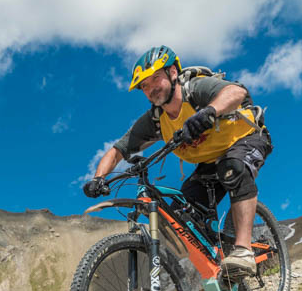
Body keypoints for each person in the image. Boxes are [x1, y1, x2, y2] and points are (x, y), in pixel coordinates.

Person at [83, 45, 272, 276]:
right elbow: (117, 150)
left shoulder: (195, 90)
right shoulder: (156, 120)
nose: (151, 89)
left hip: (246, 139)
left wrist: (209, 111)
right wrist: (99, 178)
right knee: (180, 213)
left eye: (155, 79)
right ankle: (219, 263)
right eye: (144, 86)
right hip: (209, 162)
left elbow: (236, 92)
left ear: (173, 72)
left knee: (232, 168)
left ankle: (243, 250)